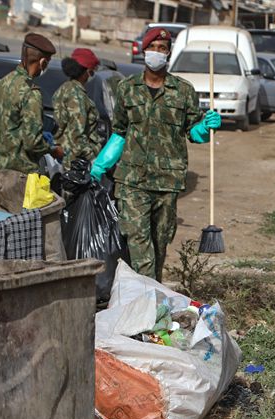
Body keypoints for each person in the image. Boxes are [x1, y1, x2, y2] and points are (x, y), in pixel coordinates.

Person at [89, 27, 221, 282]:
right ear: (144, 51)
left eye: (162, 49)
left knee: (159, 246)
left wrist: (205, 126)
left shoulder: (183, 91)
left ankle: (149, 296)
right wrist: (101, 164)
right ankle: (146, 299)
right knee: (140, 244)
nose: (157, 54)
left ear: (168, 54)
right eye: (153, 48)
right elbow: (120, 133)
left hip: (167, 182)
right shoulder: (127, 89)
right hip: (132, 182)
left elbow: (192, 132)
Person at [0, 33, 61, 173]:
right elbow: (32, 143)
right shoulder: (31, 93)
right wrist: (53, 150)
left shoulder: (0, 85)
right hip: (16, 176)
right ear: (42, 62)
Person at [53, 48, 102, 169]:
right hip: (74, 163)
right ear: (86, 72)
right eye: (92, 72)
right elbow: (77, 135)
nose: (92, 75)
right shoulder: (77, 96)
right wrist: (93, 159)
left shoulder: (64, 88)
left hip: (65, 157)